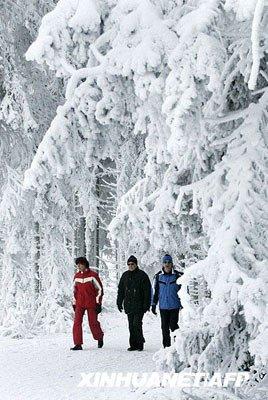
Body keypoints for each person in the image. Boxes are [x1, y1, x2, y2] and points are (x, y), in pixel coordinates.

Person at [117, 255, 151, 351]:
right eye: (129, 264)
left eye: (132, 264)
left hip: (139, 305)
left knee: (137, 324)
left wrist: (146, 305)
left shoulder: (142, 275)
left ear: (136, 264)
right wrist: (119, 302)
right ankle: (133, 344)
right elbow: (121, 290)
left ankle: (140, 343)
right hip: (129, 305)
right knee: (131, 325)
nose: (130, 266)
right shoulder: (125, 275)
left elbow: (147, 291)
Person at [70, 257, 104, 350]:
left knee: (92, 322)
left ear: (85, 264)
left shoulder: (93, 275)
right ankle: (78, 344)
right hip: (79, 303)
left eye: (80, 264)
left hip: (91, 303)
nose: (79, 266)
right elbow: (73, 291)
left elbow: (100, 289)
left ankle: (99, 337)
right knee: (77, 322)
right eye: (77, 265)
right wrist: (74, 303)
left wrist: (98, 303)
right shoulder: (77, 276)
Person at [151, 254, 183, 348]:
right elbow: (154, 291)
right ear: (162, 264)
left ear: (172, 264)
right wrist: (153, 304)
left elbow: (183, 291)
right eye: (165, 262)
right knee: (164, 328)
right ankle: (166, 348)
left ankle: (178, 346)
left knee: (174, 326)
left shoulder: (178, 276)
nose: (167, 264)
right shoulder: (158, 276)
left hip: (174, 306)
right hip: (163, 307)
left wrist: (183, 304)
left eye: (169, 262)